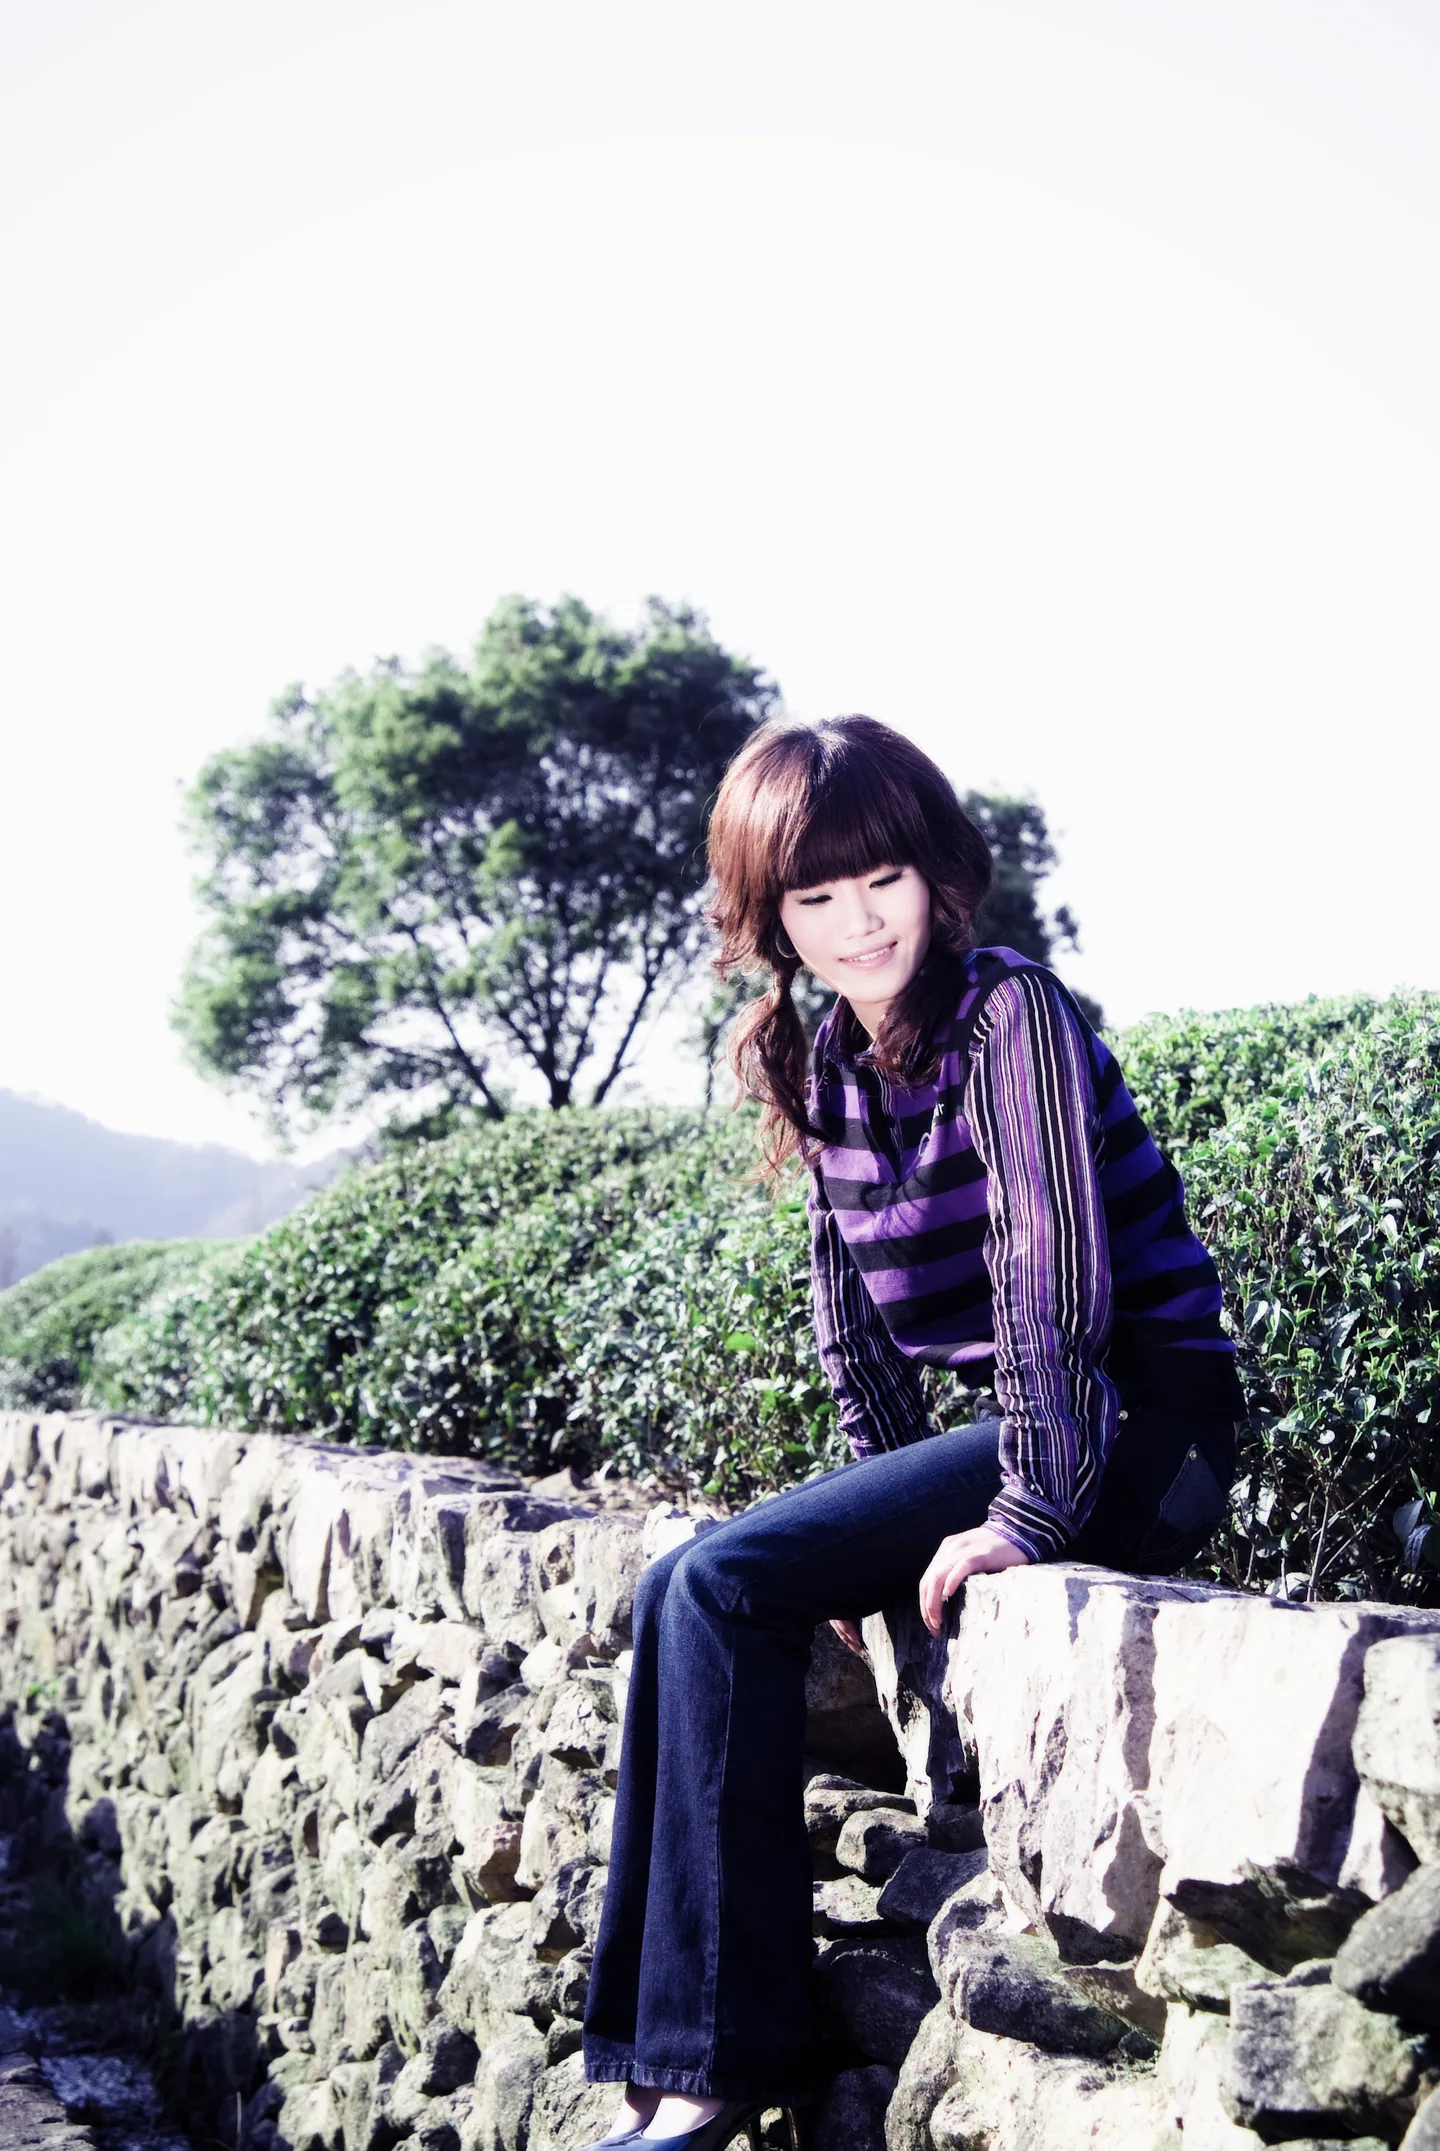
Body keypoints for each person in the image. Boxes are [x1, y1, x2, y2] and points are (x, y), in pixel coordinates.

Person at [577, 715, 1245, 2151]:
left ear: (935, 870)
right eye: (815, 896)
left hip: (1144, 1421)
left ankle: (711, 2064)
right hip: (1048, 1417)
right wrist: (871, 1545)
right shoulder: (817, 1057)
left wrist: (1031, 1512)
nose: (858, 920)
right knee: (681, 1581)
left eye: (880, 877)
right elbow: (858, 1329)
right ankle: (654, 2059)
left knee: (720, 1580)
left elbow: (1053, 1279)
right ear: (772, 920)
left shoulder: (1011, 1014)